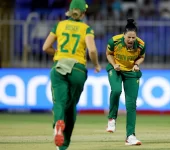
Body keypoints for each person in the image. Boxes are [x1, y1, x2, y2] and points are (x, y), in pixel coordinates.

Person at [42, 0, 101, 149]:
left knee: (59, 103)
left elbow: (45, 47)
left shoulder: (59, 25)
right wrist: (96, 65)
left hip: (60, 67)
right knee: (71, 106)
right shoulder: (86, 29)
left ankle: (58, 124)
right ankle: (64, 144)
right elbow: (92, 50)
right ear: (83, 12)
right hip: (78, 70)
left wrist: (57, 53)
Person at [105, 18, 146, 146]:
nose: (131, 40)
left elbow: (142, 57)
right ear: (124, 35)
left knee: (131, 104)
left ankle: (130, 136)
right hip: (116, 69)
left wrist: (137, 64)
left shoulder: (141, 44)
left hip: (131, 72)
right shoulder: (114, 41)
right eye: (129, 37)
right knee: (116, 90)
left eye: (133, 38)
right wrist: (114, 64)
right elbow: (108, 54)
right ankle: (112, 118)